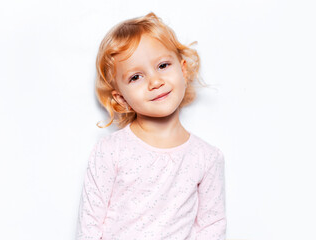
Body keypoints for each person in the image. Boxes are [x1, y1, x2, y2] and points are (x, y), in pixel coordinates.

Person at [76, 12, 226, 240]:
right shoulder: (110, 151)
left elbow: (211, 227)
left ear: (183, 70)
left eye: (163, 65)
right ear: (121, 99)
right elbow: (90, 226)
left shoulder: (206, 158)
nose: (155, 82)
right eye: (136, 77)